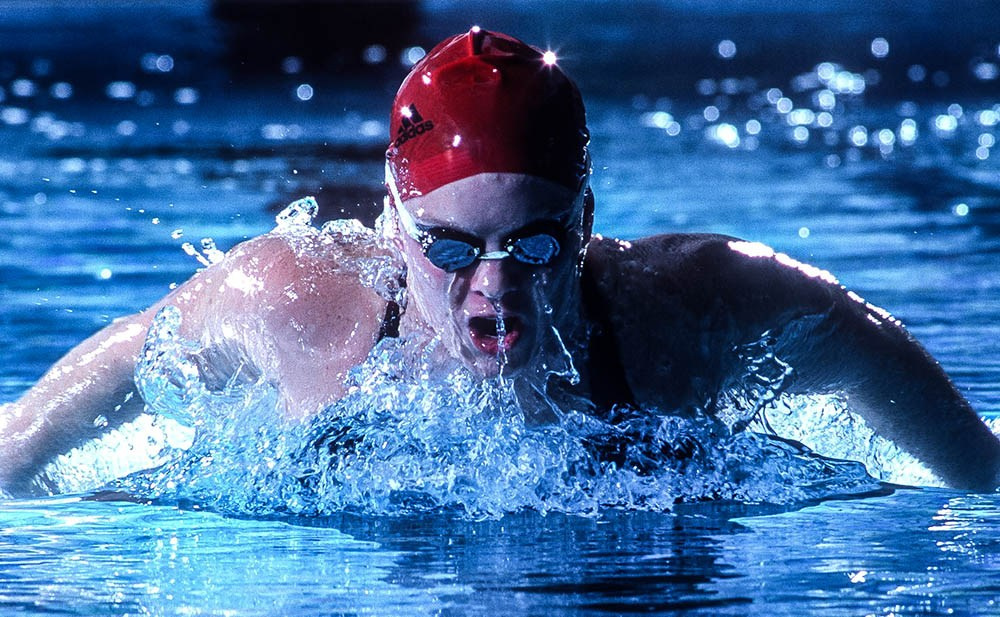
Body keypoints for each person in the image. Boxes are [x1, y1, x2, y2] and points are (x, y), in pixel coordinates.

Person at [1, 28, 998, 497]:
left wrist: (978, 476)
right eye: (449, 247)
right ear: (394, 225)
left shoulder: (686, 310)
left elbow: (866, 344)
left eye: (535, 243)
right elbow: (124, 358)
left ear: (586, 222)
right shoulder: (299, 305)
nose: (493, 290)